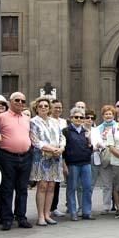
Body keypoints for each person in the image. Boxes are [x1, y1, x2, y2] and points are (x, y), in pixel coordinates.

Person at [0, 92, 33, 230]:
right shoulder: (1, 117)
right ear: (10, 102)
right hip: (7, 156)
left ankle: (21, 217)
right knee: (7, 188)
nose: (20, 103)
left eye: (23, 101)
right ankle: (6, 219)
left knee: (22, 189)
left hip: (25, 156)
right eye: (17, 100)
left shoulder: (27, 118)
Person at [30, 97, 65, 226]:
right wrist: (52, 149)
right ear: (36, 108)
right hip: (42, 158)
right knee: (43, 186)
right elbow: (35, 141)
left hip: (56, 157)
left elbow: (62, 137)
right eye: (41, 106)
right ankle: (40, 217)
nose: (44, 107)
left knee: (52, 186)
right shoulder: (33, 122)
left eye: (46, 106)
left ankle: (47, 214)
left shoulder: (55, 122)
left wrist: (61, 148)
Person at [63, 108, 94, 220]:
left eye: (81, 117)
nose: (79, 119)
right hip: (72, 164)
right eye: (76, 117)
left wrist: (90, 145)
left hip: (86, 163)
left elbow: (90, 147)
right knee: (72, 188)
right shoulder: (66, 131)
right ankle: (73, 212)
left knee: (87, 187)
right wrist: (64, 164)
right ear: (71, 118)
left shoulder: (85, 131)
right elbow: (63, 148)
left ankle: (86, 211)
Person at [91, 104, 117, 214]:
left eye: (110, 113)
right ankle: (90, 206)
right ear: (102, 116)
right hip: (99, 157)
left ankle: (112, 206)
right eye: (106, 114)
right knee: (98, 184)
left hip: (114, 158)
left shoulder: (118, 126)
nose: (108, 115)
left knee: (112, 184)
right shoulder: (97, 129)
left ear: (113, 115)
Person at [49, 100, 67, 217]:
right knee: (48, 183)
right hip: (50, 153)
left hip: (62, 153)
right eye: (56, 107)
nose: (58, 110)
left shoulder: (64, 121)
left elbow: (64, 137)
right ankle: (47, 208)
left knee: (57, 183)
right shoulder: (48, 121)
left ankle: (54, 207)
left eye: (60, 107)